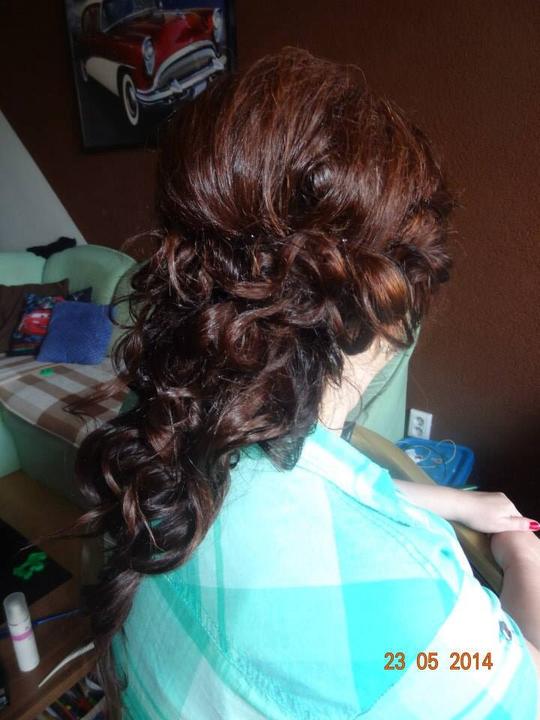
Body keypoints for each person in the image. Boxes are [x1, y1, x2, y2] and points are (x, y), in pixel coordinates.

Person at [75, 48, 540, 719]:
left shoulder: (160, 423)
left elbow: (287, 490)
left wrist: (443, 502)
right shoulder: (413, 616)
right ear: (389, 305)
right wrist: (524, 557)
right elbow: (522, 688)